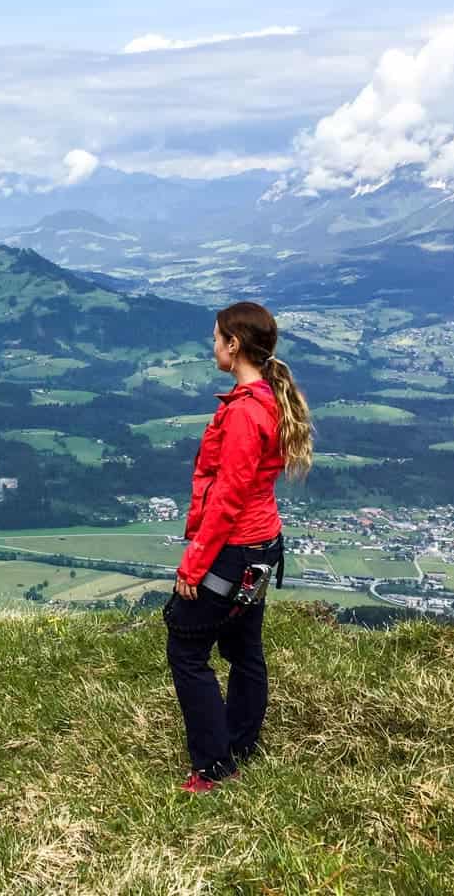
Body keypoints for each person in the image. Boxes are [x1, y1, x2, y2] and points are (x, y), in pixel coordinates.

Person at [166, 300, 313, 793]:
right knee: (243, 646)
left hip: (234, 548)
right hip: (262, 546)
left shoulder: (246, 414)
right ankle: (241, 743)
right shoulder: (267, 399)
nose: (212, 347)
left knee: (186, 646)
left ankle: (213, 767)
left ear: (234, 345)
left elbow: (227, 499)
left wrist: (193, 565)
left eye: (216, 339)